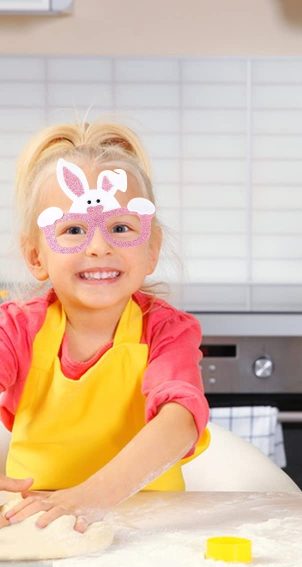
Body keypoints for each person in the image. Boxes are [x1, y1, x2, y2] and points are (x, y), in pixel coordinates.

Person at [0, 121, 210, 532]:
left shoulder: (165, 331)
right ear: (36, 257)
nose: (99, 246)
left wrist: (90, 496)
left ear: (151, 250)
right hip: (34, 524)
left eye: (120, 228)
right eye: (73, 230)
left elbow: (181, 419)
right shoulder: (17, 328)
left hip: (150, 528)